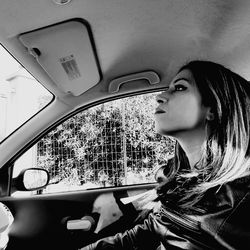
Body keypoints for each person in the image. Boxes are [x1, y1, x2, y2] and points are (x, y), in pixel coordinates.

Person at [80, 60, 250, 250]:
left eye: (179, 87)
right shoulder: (182, 179)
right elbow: (145, 233)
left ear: (213, 108)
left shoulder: (240, 201)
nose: (160, 96)